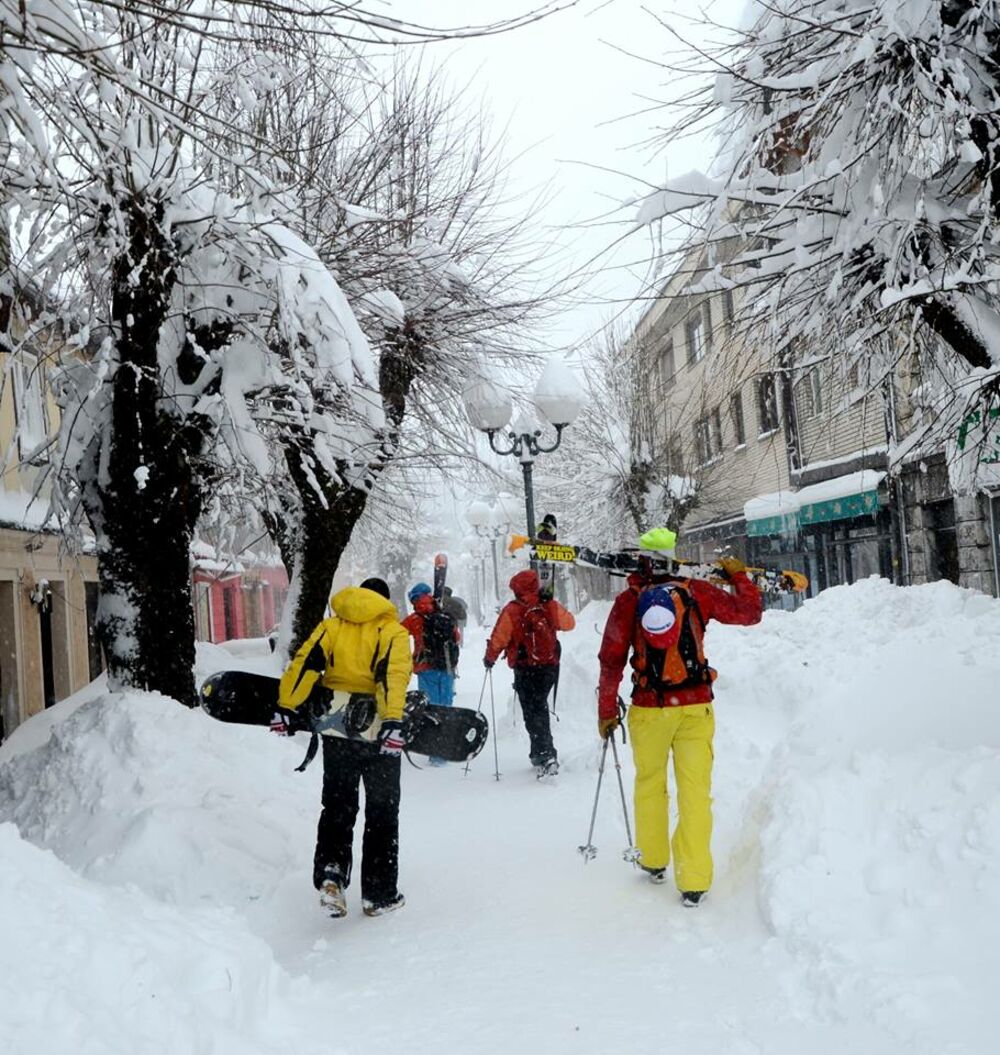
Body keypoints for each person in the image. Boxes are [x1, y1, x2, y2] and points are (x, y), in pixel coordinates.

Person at [596, 543, 761, 907]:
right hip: (695, 706)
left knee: (650, 784)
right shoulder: (697, 592)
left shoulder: (630, 601)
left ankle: (653, 860)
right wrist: (739, 578)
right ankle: (694, 881)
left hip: (649, 709)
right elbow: (750, 613)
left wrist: (606, 710)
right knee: (695, 792)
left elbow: (611, 660)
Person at [276, 577, 411, 919]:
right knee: (381, 810)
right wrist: (393, 718)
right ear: (383, 601)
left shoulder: (331, 627)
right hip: (378, 734)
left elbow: (306, 665)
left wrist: (287, 705)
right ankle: (379, 895)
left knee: (337, 804)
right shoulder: (391, 631)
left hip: (337, 733)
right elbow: (391, 676)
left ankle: (331, 875)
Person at [483, 568, 575, 778]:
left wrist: (490, 658)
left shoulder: (513, 610)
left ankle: (544, 753)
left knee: (533, 711)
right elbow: (570, 623)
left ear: (516, 589)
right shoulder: (548, 604)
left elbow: (500, 637)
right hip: (549, 665)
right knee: (540, 706)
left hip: (525, 668)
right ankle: (541, 752)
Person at [401, 582, 460, 707]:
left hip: (425, 665)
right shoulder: (443, 615)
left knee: (430, 705)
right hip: (447, 666)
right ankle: (446, 725)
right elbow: (456, 637)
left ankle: (433, 725)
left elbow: (396, 632)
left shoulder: (414, 619)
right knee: (446, 705)